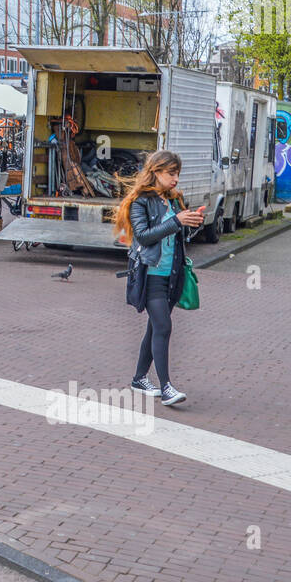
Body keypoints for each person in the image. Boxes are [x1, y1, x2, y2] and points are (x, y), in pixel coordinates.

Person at [112, 150, 206, 407]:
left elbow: (179, 236)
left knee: (155, 327)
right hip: (150, 273)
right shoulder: (140, 201)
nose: (175, 179)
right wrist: (177, 220)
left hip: (172, 274)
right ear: (156, 172)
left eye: (177, 174)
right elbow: (143, 236)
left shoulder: (174, 199)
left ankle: (139, 378)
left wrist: (193, 222)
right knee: (163, 327)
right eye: (171, 173)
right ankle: (166, 388)